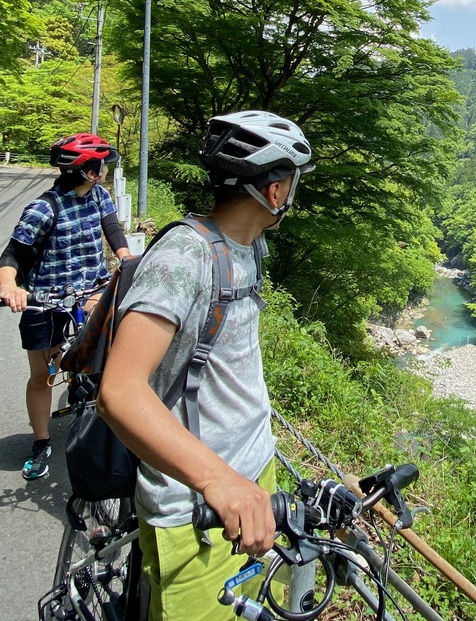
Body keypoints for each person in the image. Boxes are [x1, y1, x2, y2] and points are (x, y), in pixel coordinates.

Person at [97, 110, 314, 620]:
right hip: (196, 507)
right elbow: (119, 392)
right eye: (293, 183)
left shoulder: (247, 249)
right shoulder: (184, 257)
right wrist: (219, 482)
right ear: (276, 192)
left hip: (252, 480)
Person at [0, 132, 133, 480]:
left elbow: (112, 229)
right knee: (43, 376)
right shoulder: (43, 208)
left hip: (93, 289)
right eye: (101, 165)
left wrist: (126, 257)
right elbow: (13, 254)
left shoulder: (99, 195)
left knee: (112, 352)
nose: (105, 169)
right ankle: (41, 442)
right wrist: (9, 287)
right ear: (90, 172)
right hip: (47, 299)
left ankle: (113, 420)